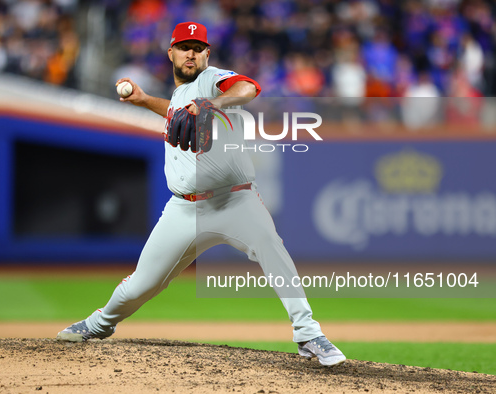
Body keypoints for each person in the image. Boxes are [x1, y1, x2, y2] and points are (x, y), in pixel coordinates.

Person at [57, 22, 346, 367]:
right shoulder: (181, 94)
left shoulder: (212, 80)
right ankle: (98, 324)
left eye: (198, 47)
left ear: (207, 53)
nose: (190, 53)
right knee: (140, 286)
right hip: (183, 210)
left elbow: (248, 87)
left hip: (236, 200)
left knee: (274, 251)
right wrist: (144, 99)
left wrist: (213, 103)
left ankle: (309, 334)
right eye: (183, 46)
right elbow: (177, 111)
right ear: (171, 53)